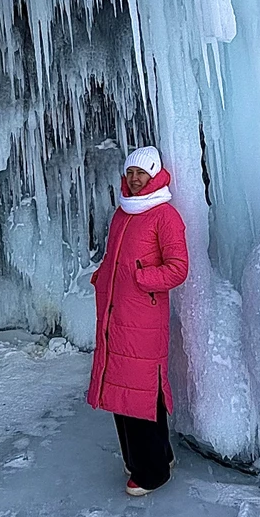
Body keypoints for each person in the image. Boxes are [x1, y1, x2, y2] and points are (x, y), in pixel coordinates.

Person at [86, 145, 189, 495]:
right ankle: (160, 456)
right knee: (124, 393)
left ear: (155, 174)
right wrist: (103, 277)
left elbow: (178, 269)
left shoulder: (164, 216)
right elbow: (115, 259)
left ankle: (150, 472)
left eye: (141, 173)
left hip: (143, 319)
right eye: (130, 172)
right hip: (116, 317)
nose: (134, 179)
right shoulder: (122, 213)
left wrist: (141, 278)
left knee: (139, 394)